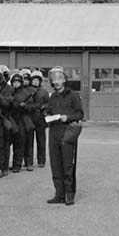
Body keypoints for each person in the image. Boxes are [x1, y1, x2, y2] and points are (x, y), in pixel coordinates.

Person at [43, 66, 83, 206]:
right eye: (54, 79)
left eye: (59, 78)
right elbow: (48, 110)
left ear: (65, 79)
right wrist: (46, 114)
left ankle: (69, 194)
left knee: (68, 165)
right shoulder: (52, 97)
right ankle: (59, 194)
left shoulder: (73, 95)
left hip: (67, 132)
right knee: (55, 164)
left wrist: (68, 117)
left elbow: (80, 114)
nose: (57, 81)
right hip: (54, 132)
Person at [29, 69, 48, 169]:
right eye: (34, 80)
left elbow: (48, 103)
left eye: (37, 80)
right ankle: (29, 161)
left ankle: (41, 160)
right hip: (30, 118)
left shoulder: (44, 92)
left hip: (40, 118)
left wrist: (43, 106)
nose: (35, 82)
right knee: (29, 141)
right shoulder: (28, 90)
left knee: (41, 140)